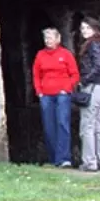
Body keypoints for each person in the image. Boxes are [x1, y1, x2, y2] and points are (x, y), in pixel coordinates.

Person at [33, 27, 78, 167]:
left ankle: (64, 158)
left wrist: (67, 88)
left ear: (58, 39)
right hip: (46, 94)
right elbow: (36, 74)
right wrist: (39, 92)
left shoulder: (65, 54)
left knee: (62, 124)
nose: (48, 41)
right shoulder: (40, 55)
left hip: (62, 94)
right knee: (49, 126)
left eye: (51, 38)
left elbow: (75, 74)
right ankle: (53, 158)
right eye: (46, 38)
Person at [76, 18, 100, 172]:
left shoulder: (92, 44)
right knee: (97, 127)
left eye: (87, 28)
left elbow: (98, 66)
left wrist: (83, 80)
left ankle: (90, 162)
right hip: (98, 88)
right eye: (82, 28)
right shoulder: (99, 43)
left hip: (91, 88)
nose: (84, 31)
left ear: (95, 29)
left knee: (87, 127)